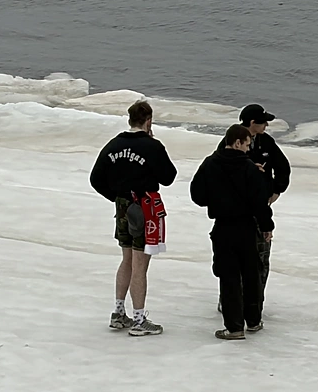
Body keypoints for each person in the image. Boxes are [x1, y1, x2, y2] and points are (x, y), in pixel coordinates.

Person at [89, 100, 178, 336]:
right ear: (148, 120)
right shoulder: (152, 146)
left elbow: (96, 179)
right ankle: (139, 320)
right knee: (141, 264)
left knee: (126, 259)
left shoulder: (113, 145)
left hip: (122, 207)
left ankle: (119, 313)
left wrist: (118, 198)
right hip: (144, 207)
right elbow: (169, 177)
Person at [192, 124, 275, 340]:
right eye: (247, 144)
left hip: (223, 227)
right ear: (237, 142)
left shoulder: (210, 164)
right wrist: (267, 227)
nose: (248, 149)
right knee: (251, 274)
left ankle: (234, 327)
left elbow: (197, 196)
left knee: (228, 277)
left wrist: (217, 197)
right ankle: (254, 321)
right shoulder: (250, 169)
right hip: (247, 227)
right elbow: (260, 203)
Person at [215, 103, 291, 315]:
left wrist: (276, 190)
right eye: (263, 121)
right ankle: (229, 300)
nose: (266, 124)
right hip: (233, 213)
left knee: (261, 258)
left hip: (260, 210)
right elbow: (216, 174)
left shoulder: (266, 142)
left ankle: (255, 303)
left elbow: (283, 167)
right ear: (251, 123)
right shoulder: (228, 144)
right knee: (232, 259)